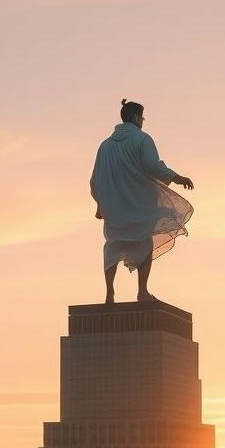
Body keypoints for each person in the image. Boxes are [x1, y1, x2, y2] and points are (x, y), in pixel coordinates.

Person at [90, 99, 194, 304]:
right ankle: (142, 291)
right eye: (142, 117)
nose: (143, 121)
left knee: (113, 245)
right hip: (139, 202)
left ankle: (109, 293)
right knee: (144, 242)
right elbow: (152, 166)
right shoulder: (142, 139)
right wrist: (177, 177)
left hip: (114, 206)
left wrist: (100, 204)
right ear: (137, 118)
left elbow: (96, 179)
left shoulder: (105, 145)